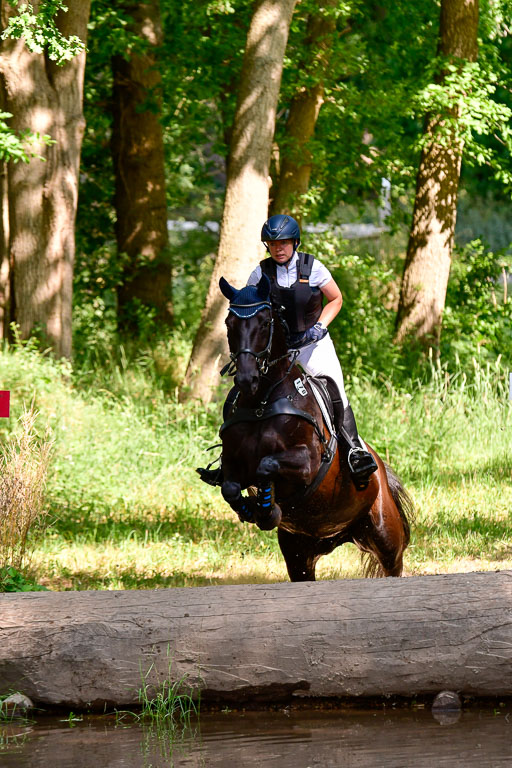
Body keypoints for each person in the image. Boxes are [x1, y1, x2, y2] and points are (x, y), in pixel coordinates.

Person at [198, 213, 377, 489]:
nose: (278, 248)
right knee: (241, 393)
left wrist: (320, 326)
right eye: (272, 243)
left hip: (312, 344)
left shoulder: (312, 267)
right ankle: (228, 460)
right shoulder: (259, 273)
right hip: (276, 351)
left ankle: (354, 451)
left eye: (283, 242)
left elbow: (336, 298)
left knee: (335, 389)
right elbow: (250, 310)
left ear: (294, 242)